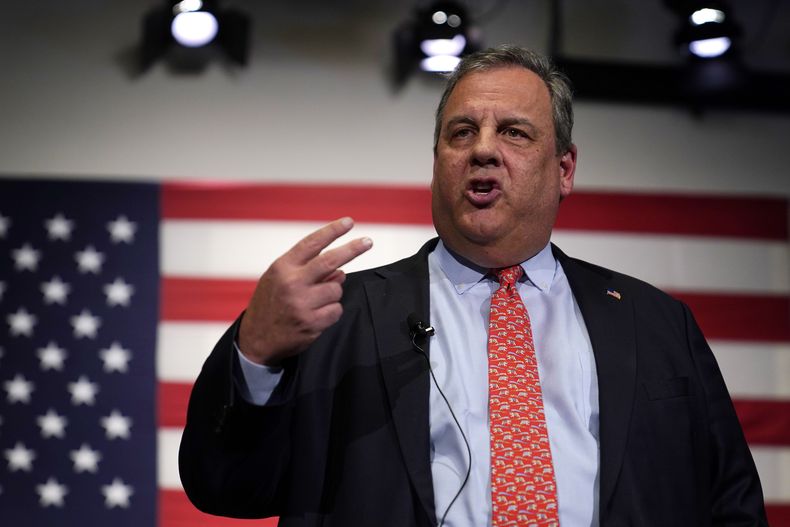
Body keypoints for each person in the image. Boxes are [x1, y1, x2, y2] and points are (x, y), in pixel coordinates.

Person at [178, 45, 767, 526]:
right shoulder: (339, 315)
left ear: (564, 169)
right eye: (462, 132)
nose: (483, 149)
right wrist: (255, 351)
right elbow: (228, 487)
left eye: (514, 132)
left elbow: (730, 503)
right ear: (436, 161)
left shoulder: (656, 322)